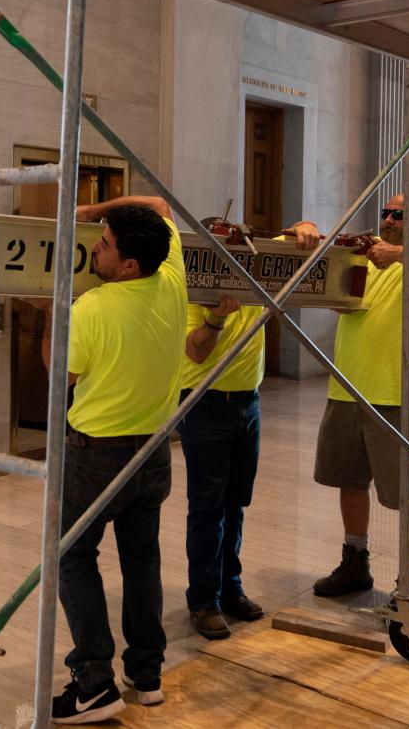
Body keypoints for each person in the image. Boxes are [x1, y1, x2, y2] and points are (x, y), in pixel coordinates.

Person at [41, 197, 186, 724]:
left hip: (96, 457)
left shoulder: (92, 309)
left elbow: (60, 375)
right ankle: (145, 675)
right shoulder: (172, 277)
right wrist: (90, 212)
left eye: (102, 247)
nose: (93, 252)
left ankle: (94, 682)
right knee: (141, 559)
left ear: (128, 266)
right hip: (153, 455)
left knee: (72, 557)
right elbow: (160, 205)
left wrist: (51, 310)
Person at [312, 195, 409, 605]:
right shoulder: (367, 259)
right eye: (385, 212)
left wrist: (399, 253)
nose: (388, 219)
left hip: (398, 396)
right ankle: (354, 560)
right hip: (347, 388)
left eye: (399, 215)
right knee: (349, 480)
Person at [176, 220, 321, 640]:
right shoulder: (194, 286)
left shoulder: (256, 264)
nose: (233, 253)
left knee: (235, 503)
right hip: (205, 403)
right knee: (207, 507)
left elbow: (303, 237)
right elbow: (195, 351)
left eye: (237, 245)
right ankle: (203, 600)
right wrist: (216, 319)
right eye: (223, 247)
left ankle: (229, 587)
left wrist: (303, 227)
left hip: (248, 403)